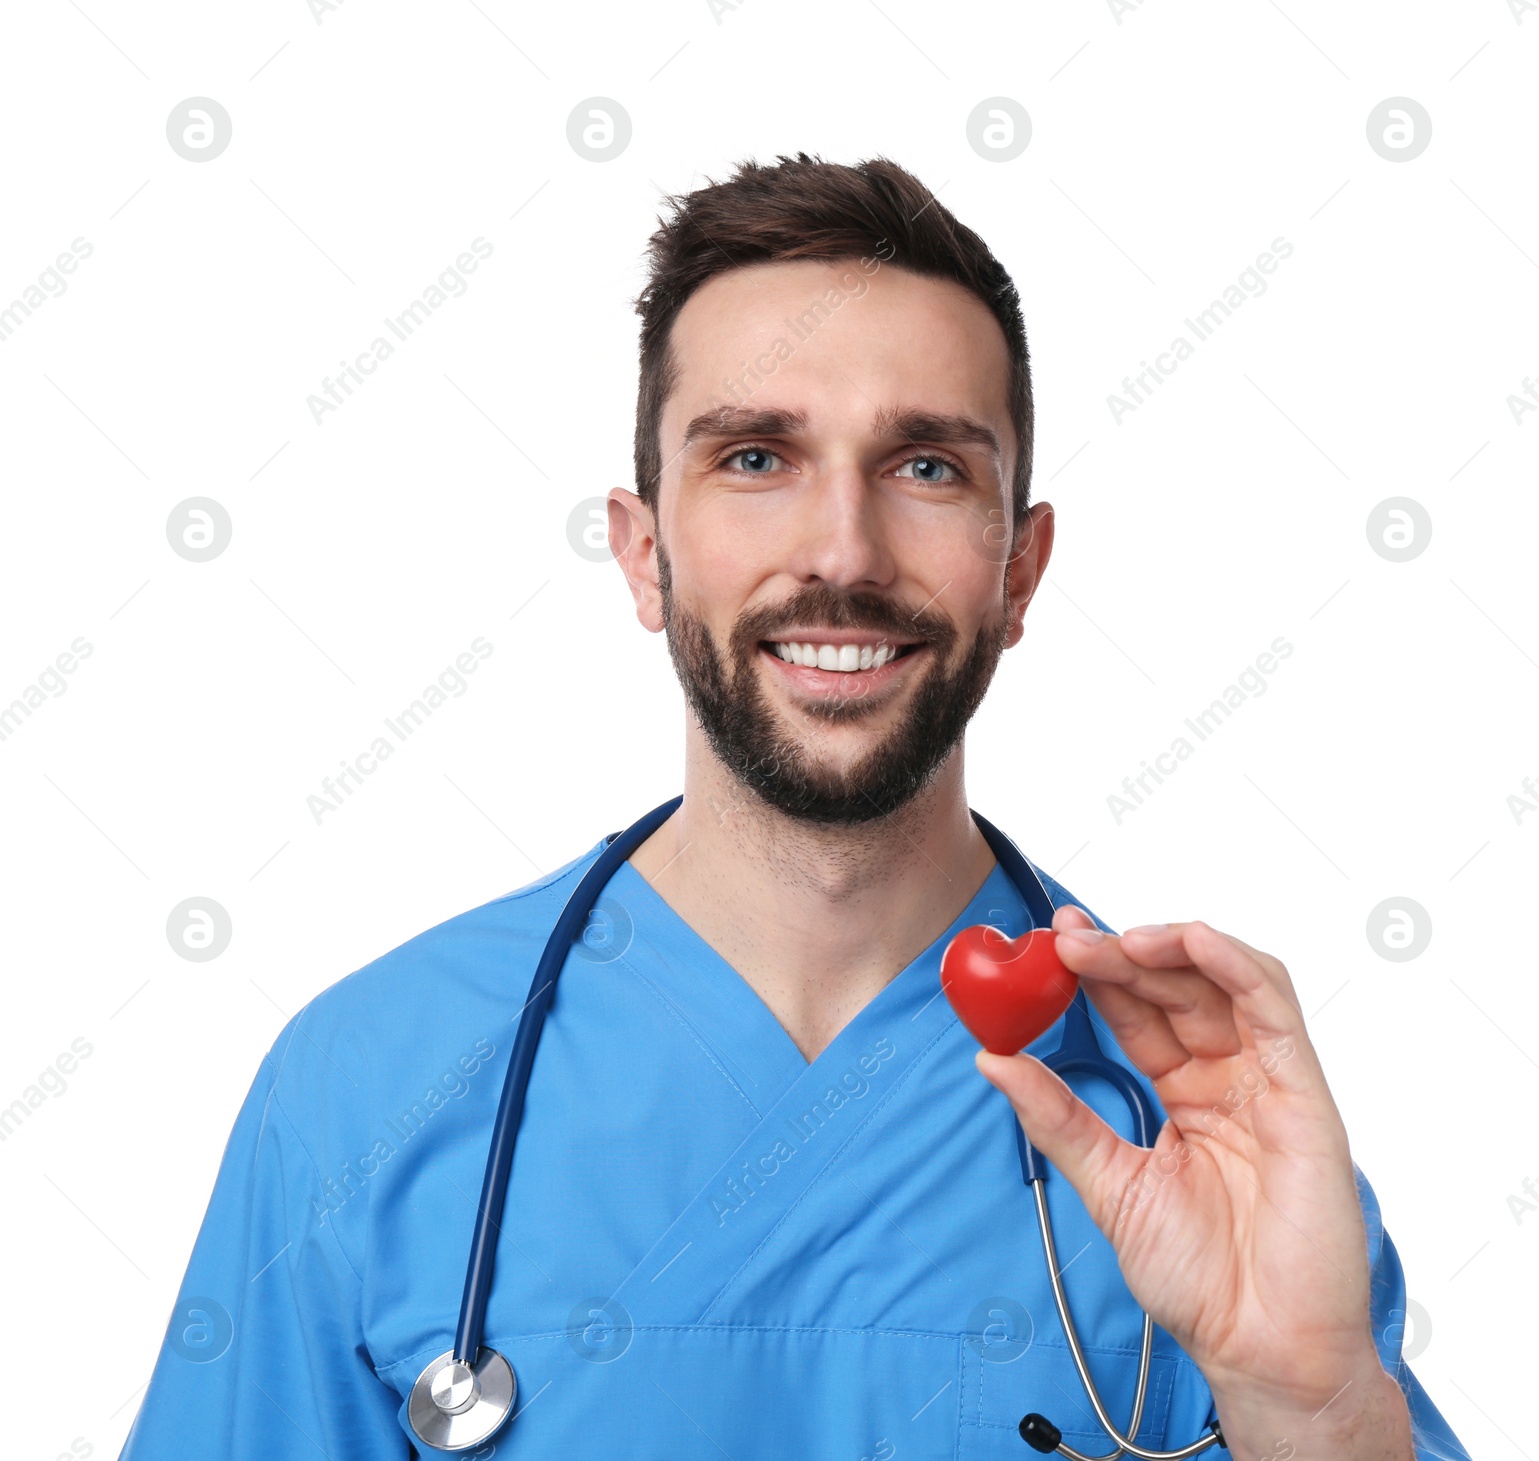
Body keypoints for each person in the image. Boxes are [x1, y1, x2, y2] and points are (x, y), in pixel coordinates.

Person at [120, 154, 1470, 1460]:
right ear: (645, 552)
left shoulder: (1200, 1132)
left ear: (1020, 569)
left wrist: (1316, 1413)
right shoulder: (369, 1090)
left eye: (927, 467)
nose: (842, 550)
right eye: (757, 458)